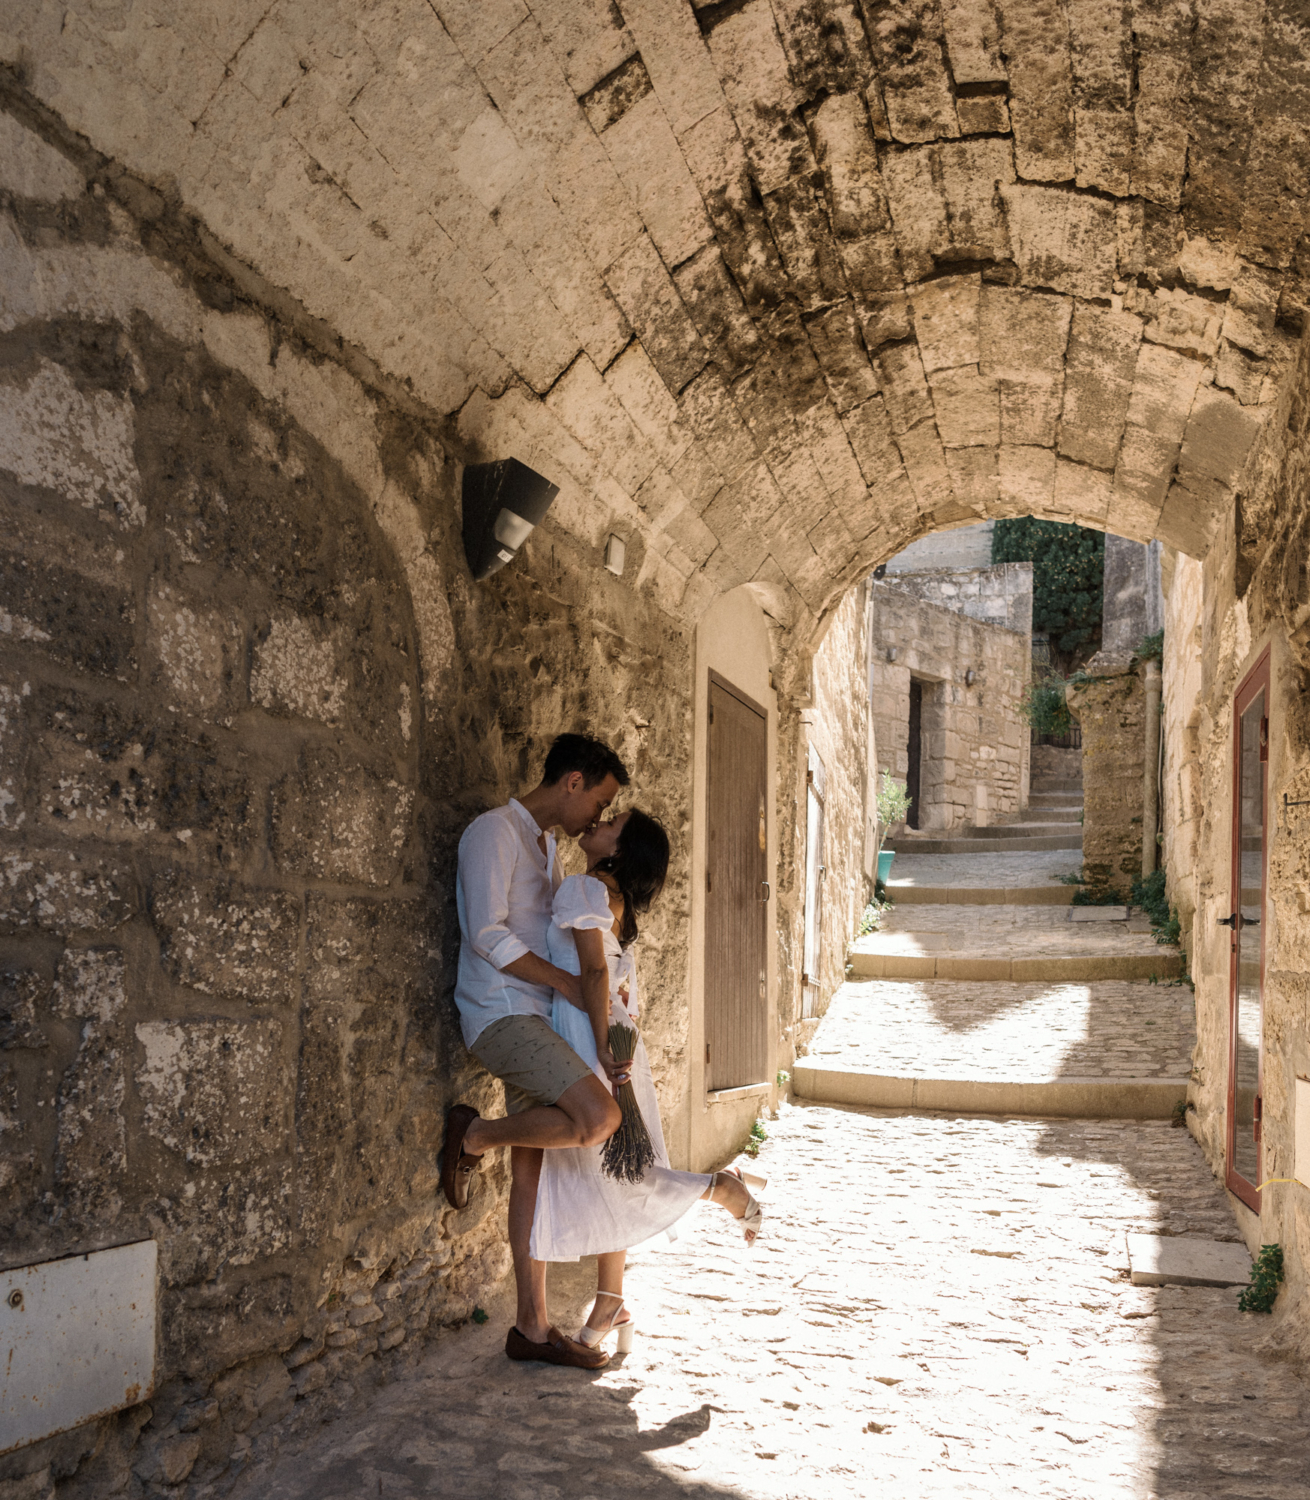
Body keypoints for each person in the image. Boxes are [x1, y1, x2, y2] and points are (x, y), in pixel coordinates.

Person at [530, 806, 764, 1353]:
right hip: (617, 1033)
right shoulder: (616, 903)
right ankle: (611, 1298)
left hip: (591, 1032)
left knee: (605, 1164)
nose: (599, 821)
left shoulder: (585, 888)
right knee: (618, 1163)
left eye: (612, 823)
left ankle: (716, 1187)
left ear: (619, 850)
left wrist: (603, 1046)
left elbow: (593, 972)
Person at [442, 733, 631, 1370]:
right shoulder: (492, 832)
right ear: (572, 782)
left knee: (535, 1168)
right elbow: (485, 934)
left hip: (541, 1020)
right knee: (600, 1119)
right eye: (599, 801)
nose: (598, 820)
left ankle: (530, 1326)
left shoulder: (548, 846)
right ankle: (473, 1138)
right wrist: (571, 988)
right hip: (500, 1014)